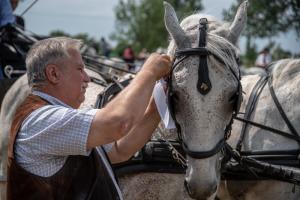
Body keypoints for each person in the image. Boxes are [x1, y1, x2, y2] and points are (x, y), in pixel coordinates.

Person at [7, 37, 171, 200]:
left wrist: (157, 106)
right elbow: (117, 123)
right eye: (80, 69)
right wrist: (149, 71)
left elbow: (121, 150)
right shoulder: (42, 120)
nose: (87, 78)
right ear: (54, 74)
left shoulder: (58, 118)